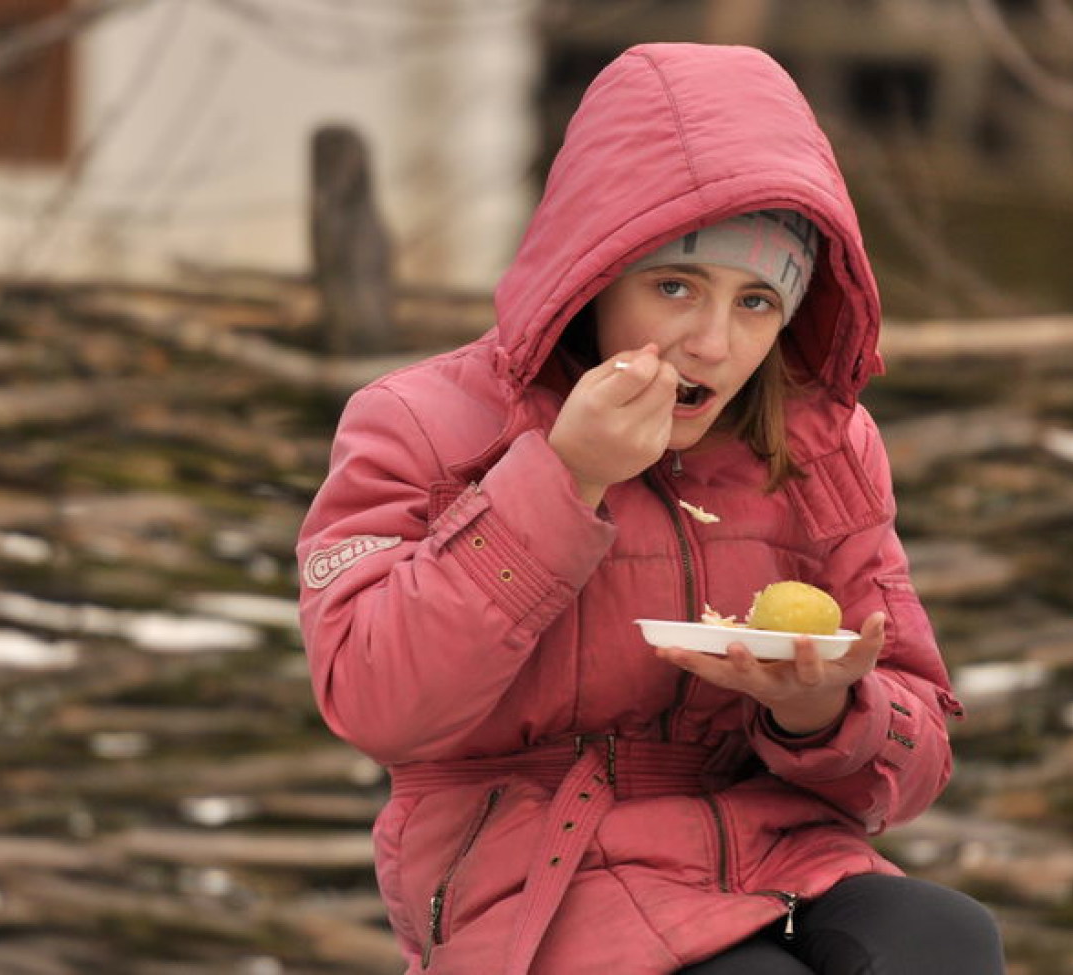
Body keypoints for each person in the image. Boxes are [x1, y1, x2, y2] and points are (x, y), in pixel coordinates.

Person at [296, 42, 1005, 975]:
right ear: (594, 275)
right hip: (529, 870)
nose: (713, 343)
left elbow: (914, 762)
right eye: (675, 287)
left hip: (773, 850)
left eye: (757, 302)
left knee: (946, 942)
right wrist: (561, 478)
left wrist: (826, 712)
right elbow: (376, 701)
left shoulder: (822, 446)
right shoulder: (421, 425)